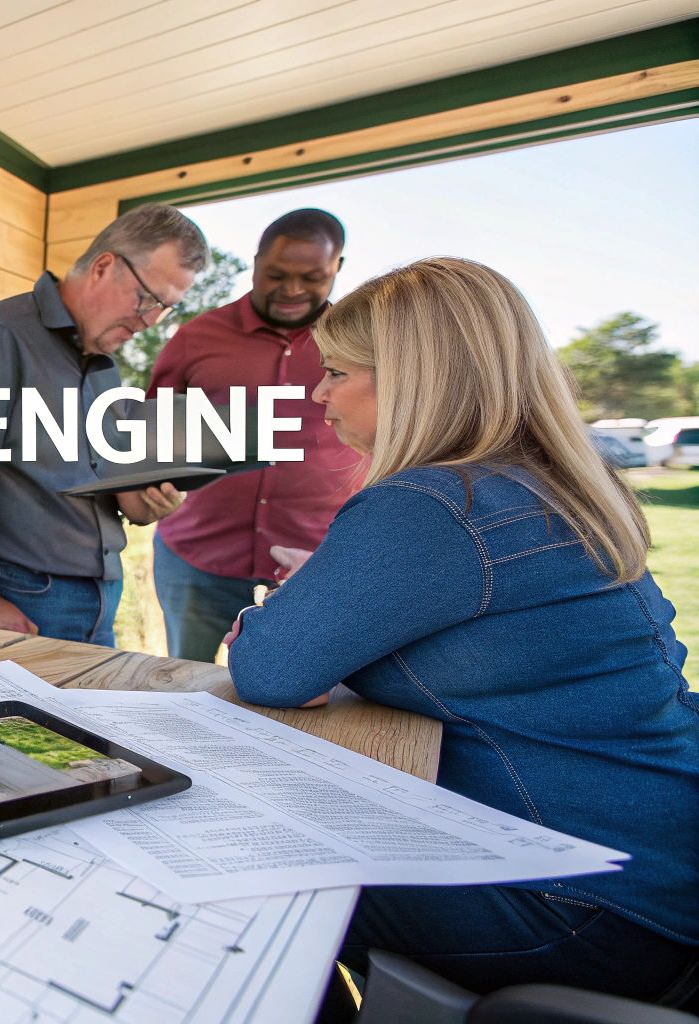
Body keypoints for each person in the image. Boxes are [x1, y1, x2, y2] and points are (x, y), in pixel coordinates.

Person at [226, 257, 699, 1002]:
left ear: (415, 380)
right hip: (656, 865)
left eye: (339, 371)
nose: (318, 393)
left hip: (577, 900)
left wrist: (275, 618)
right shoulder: (558, 486)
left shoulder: (435, 502)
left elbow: (271, 666)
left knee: (240, 864)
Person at [0, 203, 206, 646]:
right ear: (104, 266)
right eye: (148, 299)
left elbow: (110, 481)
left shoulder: (104, 366)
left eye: (165, 309)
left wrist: (150, 503)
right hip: (23, 597)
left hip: (99, 597)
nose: (150, 321)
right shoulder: (0, 335)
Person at [147, 209, 362, 662]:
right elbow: (150, 435)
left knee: (307, 698)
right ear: (256, 261)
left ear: (338, 268)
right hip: (197, 555)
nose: (292, 290)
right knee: (182, 686)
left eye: (312, 276)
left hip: (318, 561)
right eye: (277, 274)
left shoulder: (364, 345)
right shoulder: (196, 337)